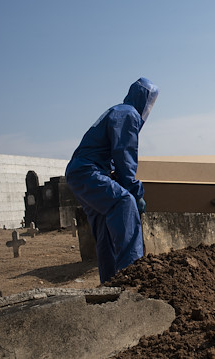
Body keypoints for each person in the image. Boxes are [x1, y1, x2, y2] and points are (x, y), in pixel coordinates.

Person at [65, 77, 159, 283]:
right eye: (151, 102)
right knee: (123, 203)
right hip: (90, 171)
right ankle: (132, 277)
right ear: (143, 98)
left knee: (104, 228)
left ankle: (109, 284)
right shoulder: (128, 114)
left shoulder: (117, 111)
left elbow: (113, 159)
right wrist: (136, 193)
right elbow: (124, 156)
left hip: (79, 173)